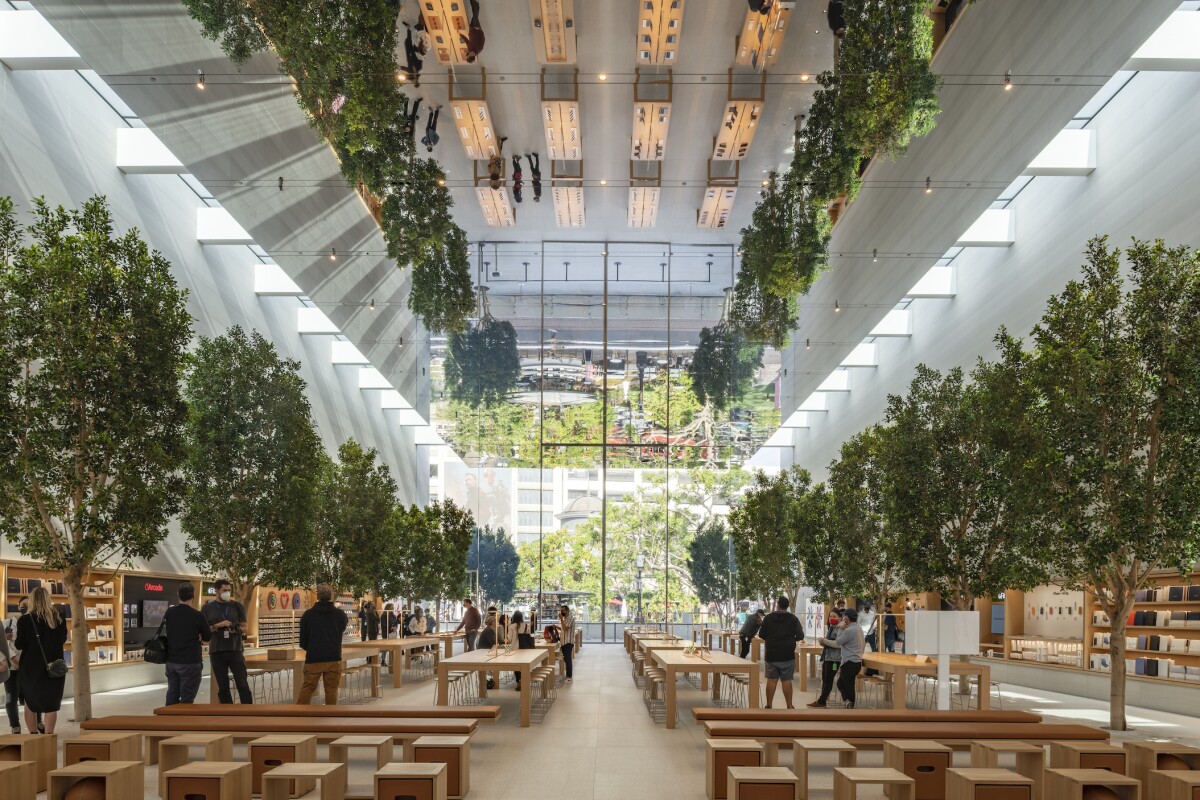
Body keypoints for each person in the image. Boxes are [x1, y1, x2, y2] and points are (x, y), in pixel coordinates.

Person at [15, 587, 67, 734]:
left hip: (31, 669)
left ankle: (33, 738)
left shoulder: (25, 620)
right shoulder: (59, 618)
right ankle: (48, 738)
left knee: (30, 703)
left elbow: (20, 644)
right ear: (48, 599)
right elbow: (62, 640)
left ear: (32, 600)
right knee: (51, 704)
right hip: (54, 667)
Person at [202, 578, 252, 705]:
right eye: (224, 590)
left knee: (242, 684)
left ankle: (249, 712)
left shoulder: (237, 606)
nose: (227, 593)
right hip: (216, 651)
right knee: (223, 687)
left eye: (229, 590)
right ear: (217, 591)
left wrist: (236, 629)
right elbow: (204, 630)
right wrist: (218, 625)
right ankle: (227, 713)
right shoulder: (207, 608)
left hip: (235, 649)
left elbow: (245, 627)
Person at [298, 584, 348, 705]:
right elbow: (341, 629)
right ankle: (330, 717)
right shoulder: (340, 615)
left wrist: (311, 648)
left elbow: (303, 640)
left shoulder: (308, 615)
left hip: (313, 657)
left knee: (308, 688)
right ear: (331, 596)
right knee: (331, 690)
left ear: (318, 596)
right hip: (333, 657)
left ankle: (298, 715)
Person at [163, 584, 211, 706]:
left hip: (172, 660)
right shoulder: (198, 615)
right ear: (193, 596)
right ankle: (183, 722)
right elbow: (207, 637)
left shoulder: (170, 612)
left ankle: (166, 721)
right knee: (187, 698)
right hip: (191, 661)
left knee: (172, 693)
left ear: (178, 595)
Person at [758, 596, 805, 710]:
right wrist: (790, 639)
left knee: (771, 679)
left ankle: (769, 705)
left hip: (771, 653)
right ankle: (789, 706)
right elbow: (800, 636)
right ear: (787, 606)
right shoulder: (793, 619)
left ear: (778, 605)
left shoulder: (768, 618)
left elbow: (761, 634)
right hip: (787, 654)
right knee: (786, 680)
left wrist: (771, 637)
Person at [822, 608, 865, 708]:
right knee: (841, 683)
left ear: (846, 618)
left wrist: (841, 629)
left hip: (849, 662)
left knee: (848, 685)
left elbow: (838, 642)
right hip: (857, 662)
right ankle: (847, 701)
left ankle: (850, 704)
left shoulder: (849, 630)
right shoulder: (859, 628)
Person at [808, 610, 847, 708]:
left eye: (834, 616)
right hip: (828, 657)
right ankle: (822, 700)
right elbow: (830, 643)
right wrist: (823, 642)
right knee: (825, 679)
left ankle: (821, 701)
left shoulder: (841, 628)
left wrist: (825, 641)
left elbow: (838, 644)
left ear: (840, 618)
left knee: (828, 680)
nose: (831, 618)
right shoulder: (831, 628)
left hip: (835, 659)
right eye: (830, 616)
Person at [4, 597, 28, 733]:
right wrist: (12, 658)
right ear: (18, 606)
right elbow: (2, 641)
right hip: (12, 669)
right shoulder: (8, 622)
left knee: (31, 697)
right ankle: (15, 726)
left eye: (29, 605)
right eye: (24, 605)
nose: (26, 608)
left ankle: (37, 722)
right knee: (11, 698)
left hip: (27, 667)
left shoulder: (33, 623)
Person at [507, 610, 535, 689]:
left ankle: (518, 682)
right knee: (524, 665)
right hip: (525, 648)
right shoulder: (526, 625)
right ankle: (524, 681)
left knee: (516, 666)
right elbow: (529, 635)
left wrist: (507, 647)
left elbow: (509, 639)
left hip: (514, 649)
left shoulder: (512, 626)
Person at [402, 21, 423, 87]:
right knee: (415, 42)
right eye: (414, 83)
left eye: (413, 83)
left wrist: (399, 67)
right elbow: (420, 59)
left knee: (407, 41)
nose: (412, 82)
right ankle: (418, 29)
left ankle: (409, 28)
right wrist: (418, 53)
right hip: (414, 53)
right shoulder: (419, 68)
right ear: (416, 81)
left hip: (409, 55)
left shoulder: (410, 76)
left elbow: (405, 70)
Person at [558, 606, 575, 683]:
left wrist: (561, 619)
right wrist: (557, 627)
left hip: (568, 642)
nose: (562, 612)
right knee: (566, 659)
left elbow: (565, 628)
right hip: (564, 642)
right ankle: (568, 675)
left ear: (567, 611)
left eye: (563, 610)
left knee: (568, 659)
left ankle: (569, 676)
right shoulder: (565, 619)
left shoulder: (570, 619)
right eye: (561, 610)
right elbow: (563, 629)